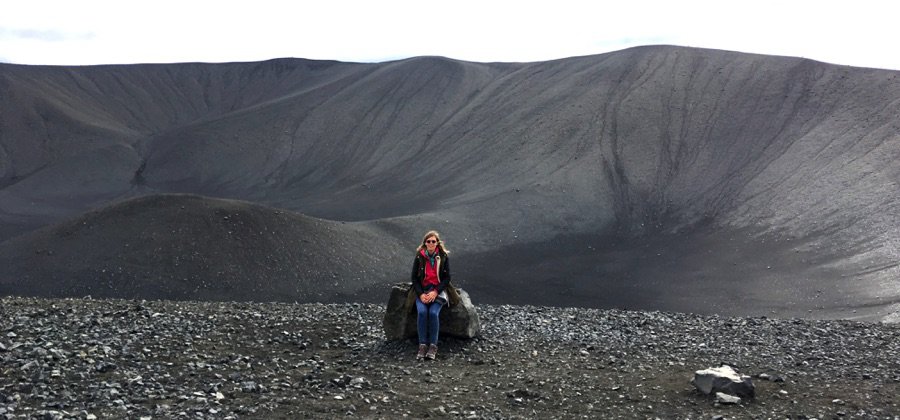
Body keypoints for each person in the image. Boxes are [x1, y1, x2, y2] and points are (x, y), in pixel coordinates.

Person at [411, 230, 451, 360]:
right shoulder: (419, 257)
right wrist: (421, 294)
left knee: (433, 313)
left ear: (437, 243)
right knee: (422, 313)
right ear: (425, 243)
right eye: (428, 241)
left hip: (437, 291)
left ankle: (433, 346)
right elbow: (414, 278)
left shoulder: (443, 256)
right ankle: (422, 345)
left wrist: (436, 291)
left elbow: (447, 278)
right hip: (423, 290)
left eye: (433, 241)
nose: (431, 243)